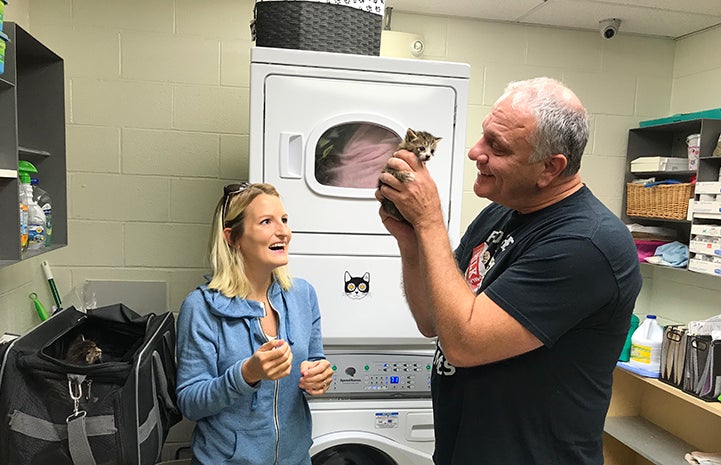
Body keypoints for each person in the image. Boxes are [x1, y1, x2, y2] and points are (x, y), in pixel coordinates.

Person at [376, 77, 642, 465]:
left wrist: (431, 222)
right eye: (483, 136)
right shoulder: (500, 214)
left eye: (496, 146)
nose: (474, 152)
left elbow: (464, 344)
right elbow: (434, 321)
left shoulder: (587, 243)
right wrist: (412, 240)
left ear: (550, 168)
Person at [176, 182, 333, 465]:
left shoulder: (303, 295)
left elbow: (314, 360)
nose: (283, 231)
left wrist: (318, 376)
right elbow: (190, 402)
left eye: (284, 220)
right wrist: (247, 373)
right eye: (266, 222)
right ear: (232, 237)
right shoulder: (201, 307)